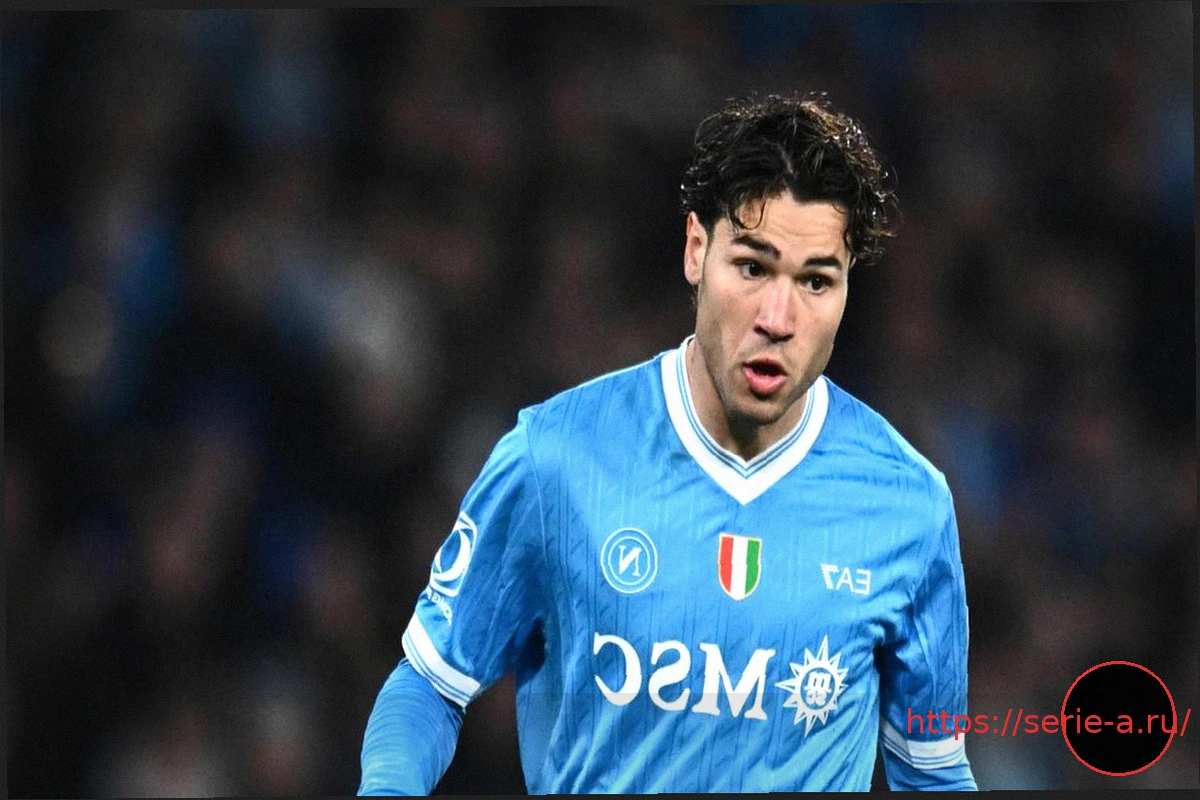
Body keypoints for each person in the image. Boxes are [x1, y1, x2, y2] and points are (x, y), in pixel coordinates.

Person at [358, 93, 976, 793]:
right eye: (753, 267)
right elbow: (430, 685)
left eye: (815, 281)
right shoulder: (555, 459)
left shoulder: (907, 506)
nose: (778, 318)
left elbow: (934, 770)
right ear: (696, 250)